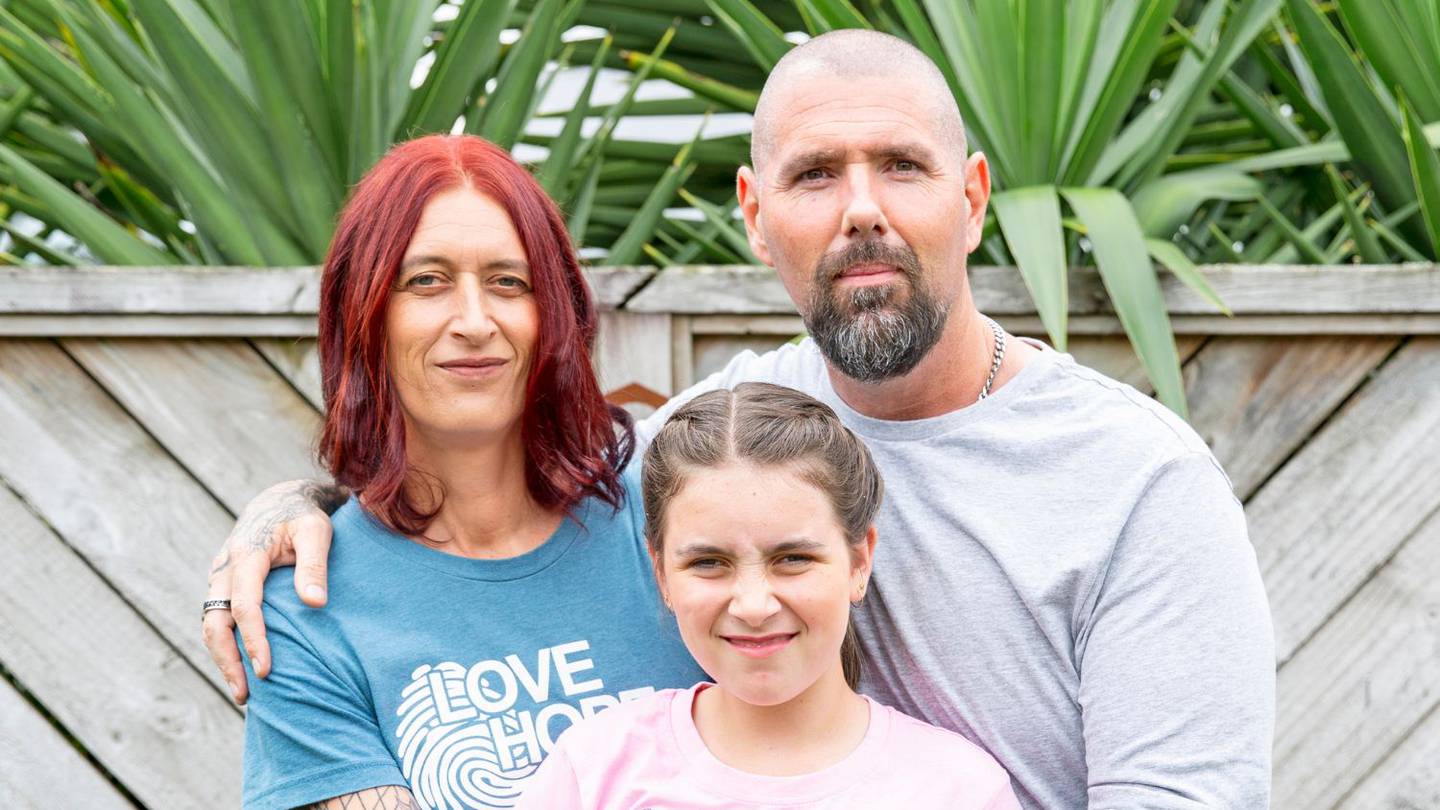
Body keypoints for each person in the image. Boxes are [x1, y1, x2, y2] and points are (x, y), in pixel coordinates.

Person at [205, 30, 1275, 809]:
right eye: (815, 175)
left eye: (903, 165)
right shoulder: (715, 445)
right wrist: (291, 510)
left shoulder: (1136, 484)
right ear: (756, 218)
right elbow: (484, 475)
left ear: (974, 197)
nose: (862, 208)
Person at [230, 134, 705, 810]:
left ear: (555, 315)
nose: (475, 322)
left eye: (509, 282)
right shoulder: (304, 613)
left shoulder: (681, 524)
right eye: (427, 281)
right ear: (363, 315)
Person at [517, 383, 1022, 809]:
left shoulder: (959, 790)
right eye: (708, 563)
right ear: (662, 573)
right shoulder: (593, 770)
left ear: (859, 561)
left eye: (793, 558)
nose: (754, 606)